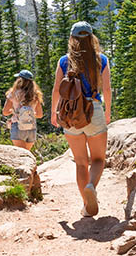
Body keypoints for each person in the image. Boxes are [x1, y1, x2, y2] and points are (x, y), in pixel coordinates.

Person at [51, 21, 111, 217]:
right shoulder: (101, 59)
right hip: (93, 109)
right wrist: (108, 112)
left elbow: (56, 90)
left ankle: (86, 205)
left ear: (72, 39)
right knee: (98, 159)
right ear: (92, 38)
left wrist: (54, 113)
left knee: (80, 162)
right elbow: (107, 90)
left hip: (71, 113)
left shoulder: (63, 61)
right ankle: (91, 186)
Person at [2, 69, 43, 150]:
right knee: (27, 153)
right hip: (31, 127)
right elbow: (39, 115)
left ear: (19, 80)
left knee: (21, 155)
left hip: (18, 126)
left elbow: (5, 112)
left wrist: (14, 112)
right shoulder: (35, 95)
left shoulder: (13, 93)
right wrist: (29, 114)